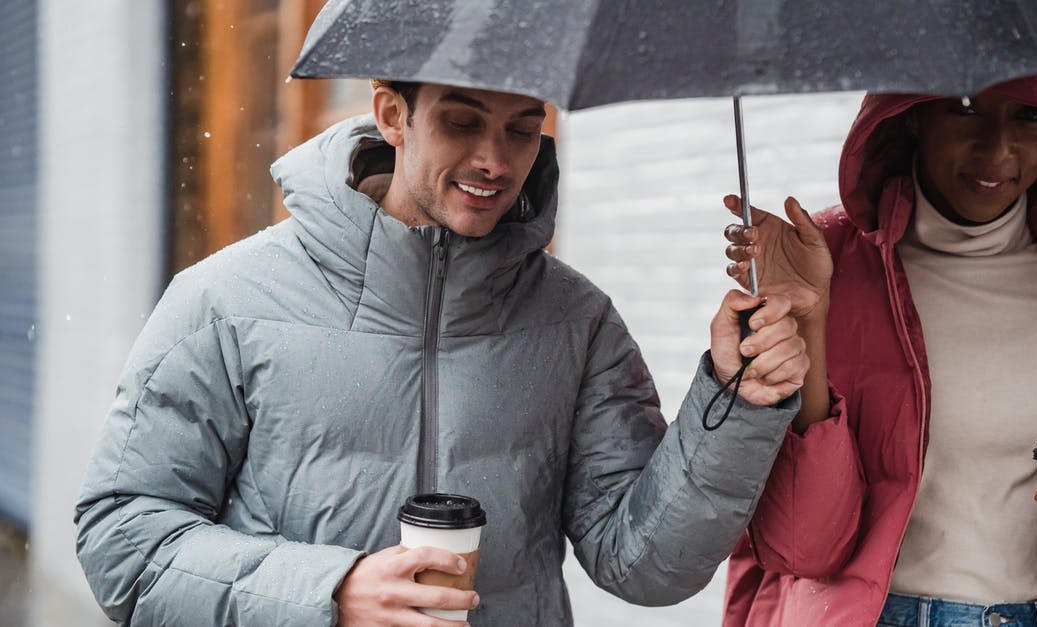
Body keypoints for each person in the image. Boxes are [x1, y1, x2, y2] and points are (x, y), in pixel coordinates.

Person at [73, 78, 810, 626]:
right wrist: (331, 592)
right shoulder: (225, 301)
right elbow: (122, 536)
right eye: (462, 122)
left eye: (523, 129)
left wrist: (735, 399)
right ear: (393, 114)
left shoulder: (576, 321)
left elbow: (642, 564)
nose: (495, 160)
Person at [720, 64, 1037, 626]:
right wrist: (810, 320)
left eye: (1031, 115)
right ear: (913, 113)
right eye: (966, 106)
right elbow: (803, 545)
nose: (998, 150)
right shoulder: (820, 263)